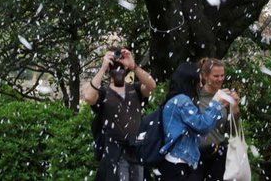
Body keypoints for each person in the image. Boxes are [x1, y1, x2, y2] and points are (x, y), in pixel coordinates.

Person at [84, 48, 157, 181]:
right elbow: (88, 97)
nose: (118, 66)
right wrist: (103, 67)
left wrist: (133, 65)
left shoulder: (135, 89)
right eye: (114, 61)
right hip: (114, 154)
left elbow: (152, 86)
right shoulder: (103, 93)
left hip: (136, 152)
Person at [158, 62, 231, 180]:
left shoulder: (176, 98)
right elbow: (203, 126)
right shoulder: (182, 101)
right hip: (178, 161)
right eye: (200, 81)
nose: (201, 85)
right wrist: (215, 103)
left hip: (176, 161)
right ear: (191, 82)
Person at [192, 58, 240, 181]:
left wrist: (234, 108)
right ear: (205, 76)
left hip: (218, 155)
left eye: (222, 75)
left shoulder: (225, 97)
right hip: (195, 154)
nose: (220, 79)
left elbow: (232, 131)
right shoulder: (194, 97)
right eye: (216, 76)